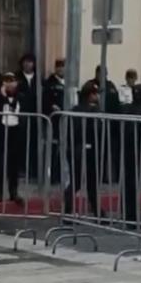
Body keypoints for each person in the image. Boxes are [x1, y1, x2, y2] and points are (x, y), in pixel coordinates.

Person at [64, 81, 102, 218]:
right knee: (85, 181)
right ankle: (97, 212)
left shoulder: (75, 109)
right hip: (86, 149)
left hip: (75, 148)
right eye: (95, 94)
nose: (97, 97)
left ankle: (98, 211)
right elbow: (95, 130)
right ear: (90, 95)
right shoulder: (93, 110)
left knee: (80, 181)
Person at [0, 72, 25, 204]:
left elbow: (18, 110)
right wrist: (2, 96)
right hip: (0, 132)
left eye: (12, 81)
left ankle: (13, 191)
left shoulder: (20, 96)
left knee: (13, 163)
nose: (9, 83)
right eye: (6, 81)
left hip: (15, 132)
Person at [120, 84, 141, 226]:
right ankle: (131, 217)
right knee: (134, 183)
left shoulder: (126, 110)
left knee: (128, 182)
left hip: (127, 151)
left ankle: (126, 213)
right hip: (140, 152)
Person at [44, 59, 67, 184]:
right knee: (53, 148)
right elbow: (46, 101)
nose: (61, 69)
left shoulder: (69, 81)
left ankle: (61, 174)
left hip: (66, 119)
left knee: (64, 148)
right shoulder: (50, 83)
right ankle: (51, 175)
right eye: (59, 66)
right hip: (54, 120)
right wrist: (52, 106)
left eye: (63, 66)